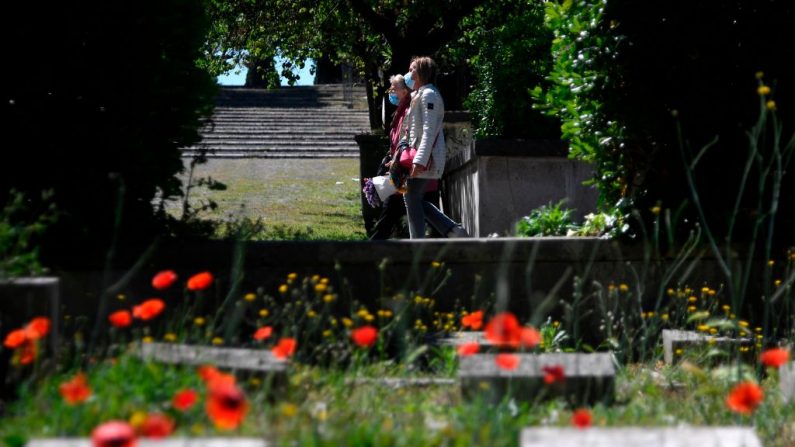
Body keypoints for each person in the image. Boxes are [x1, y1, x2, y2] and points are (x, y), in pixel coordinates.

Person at [402, 56, 468, 239]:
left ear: (422, 72)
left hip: (425, 158)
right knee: (412, 197)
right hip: (420, 157)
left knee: (411, 196)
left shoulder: (429, 95)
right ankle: (453, 230)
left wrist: (419, 160)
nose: (409, 73)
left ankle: (418, 242)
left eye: (412, 69)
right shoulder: (420, 95)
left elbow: (429, 131)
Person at [370, 74, 441, 239]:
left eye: (394, 89)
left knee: (388, 219)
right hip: (408, 174)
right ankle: (448, 240)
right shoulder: (401, 112)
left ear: (404, 91)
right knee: (430, 216)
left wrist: (396, 162)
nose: (391, 92)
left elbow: (410, 142)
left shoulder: (409, 111)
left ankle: (370, 252)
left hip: (410, 174)